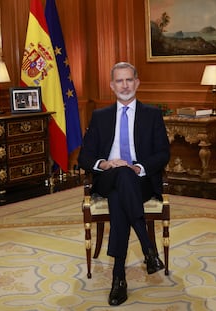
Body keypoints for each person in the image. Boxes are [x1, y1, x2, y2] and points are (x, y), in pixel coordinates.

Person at [78, 62, 170, 306]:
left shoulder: (152, 114)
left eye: (129, 80)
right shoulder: (100, 117)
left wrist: (138, 167)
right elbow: (84, 157)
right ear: (112, 86)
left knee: (122, 192)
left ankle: (118, 277)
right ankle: (148, 249)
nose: (125, 85)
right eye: (120, 81)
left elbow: (163, 153)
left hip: (140, 180)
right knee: (120, 175)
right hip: (108, 177)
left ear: (137, 83)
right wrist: (106, 164)